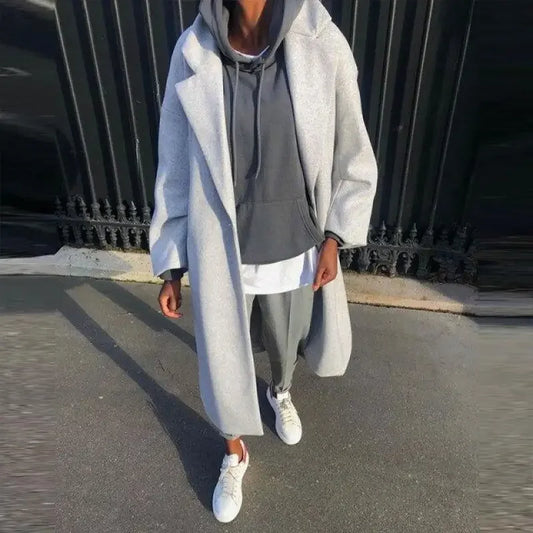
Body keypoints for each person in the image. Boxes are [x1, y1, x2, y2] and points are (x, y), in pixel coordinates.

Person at [149, 0, 377, 523]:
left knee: (283, 340)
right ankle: (234, 451)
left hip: (294, 241)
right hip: (221, 247)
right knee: (222, 359)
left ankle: (280, 391)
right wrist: (172, 264)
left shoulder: (320, 41)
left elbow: (352, 146)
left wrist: (335, 236)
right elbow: (174, 162)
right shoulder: (194, 51)